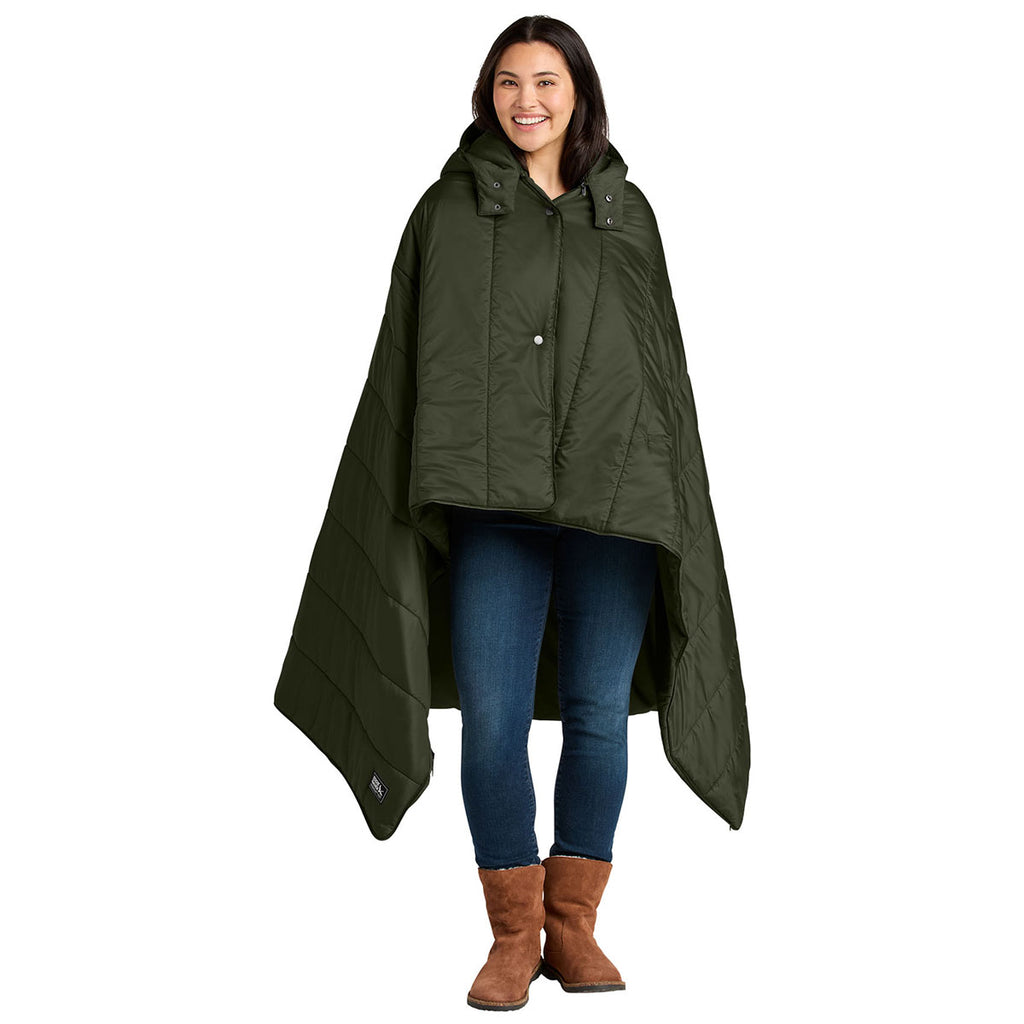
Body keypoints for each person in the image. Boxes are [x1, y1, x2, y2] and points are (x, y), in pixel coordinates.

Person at [274, 12, 750, 1014]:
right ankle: (510, 934)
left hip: (614, 507)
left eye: (545, 82)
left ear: (579, 94)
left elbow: (661, 379)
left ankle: (573, 927)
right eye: (507, 83)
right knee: (492, 722)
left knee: (598, 719)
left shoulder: (629, 215)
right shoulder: (444, 213)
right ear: (487, 95)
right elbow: (410, 365)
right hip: (491, 507)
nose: (525, 101)